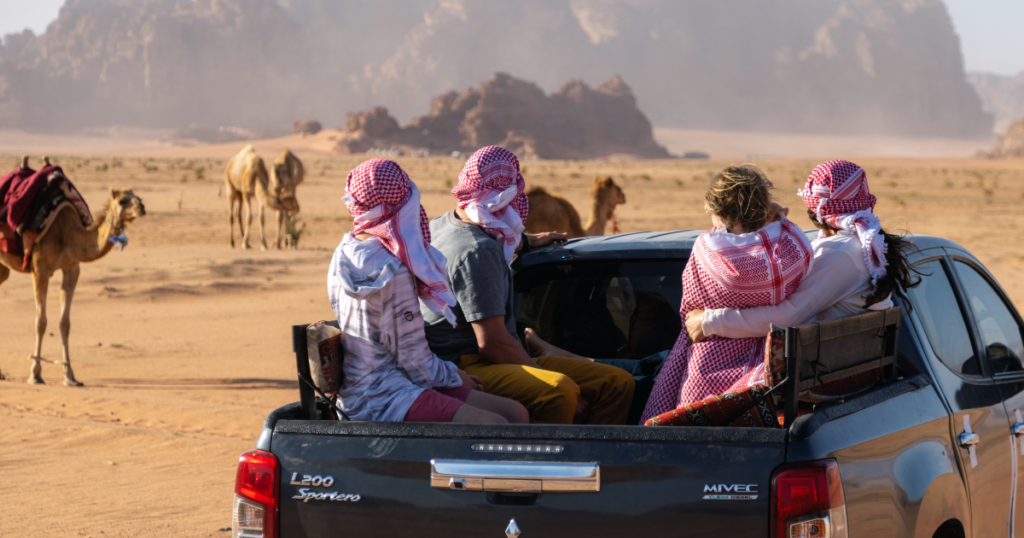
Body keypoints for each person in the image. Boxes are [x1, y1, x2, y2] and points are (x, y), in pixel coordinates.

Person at [420, 145, 635, 425]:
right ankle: (552, 464)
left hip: (486, 356)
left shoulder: (442, 224)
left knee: (617, 383)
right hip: (468, 363)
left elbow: (488, 234)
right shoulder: (479, 250)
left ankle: (600, 456)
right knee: (559, 392)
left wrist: (527, 241)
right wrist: (538, 374)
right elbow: (493, 343)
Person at [328, 158, 528, 424]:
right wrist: (455, 375)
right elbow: (413, 357)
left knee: (514, 413)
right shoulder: (393, 270)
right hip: (388, 395)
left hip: (366, 389)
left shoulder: (343, 253)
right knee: (498, 424)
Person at [639, 164, 814, 424]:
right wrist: (778, 219)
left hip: (706, 366)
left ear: (719, 211)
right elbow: (790, 233)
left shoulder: (708, 249)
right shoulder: (791, 249)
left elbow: (692, 307)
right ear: (763, 204)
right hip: (770, 370)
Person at [685, 159, 920, 344]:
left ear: (814, 209)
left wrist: (709, 322)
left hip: (825, 366)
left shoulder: (841, 253)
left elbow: (788, 315)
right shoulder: (853, 244)